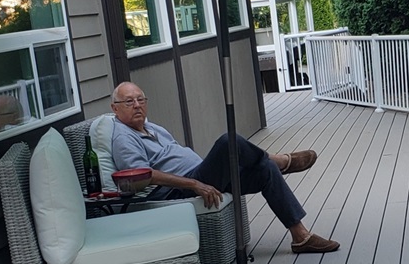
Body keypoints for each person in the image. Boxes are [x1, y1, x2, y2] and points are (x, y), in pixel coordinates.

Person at [109, 82, 339, 254]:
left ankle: (301, 237)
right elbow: (143, 176)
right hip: (178, 190)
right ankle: (281, 160)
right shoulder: (123, 137)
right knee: (228, 142)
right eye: (129, 102)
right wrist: (195, 184)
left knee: (265, 170)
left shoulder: (151, 127)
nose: (137, 105)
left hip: (198, 176)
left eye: (141, 99)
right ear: (115, 108)